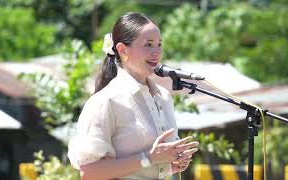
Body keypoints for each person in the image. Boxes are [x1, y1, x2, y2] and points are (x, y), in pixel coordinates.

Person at [67, 12, 199, 180]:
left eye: (159, 44)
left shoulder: (163, 97)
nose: (157, 52)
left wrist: (173, 163)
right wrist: (150, 157)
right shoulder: (105, 101)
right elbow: (89, 172)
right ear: (122, 50)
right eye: (148, 45)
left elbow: (149, 170)